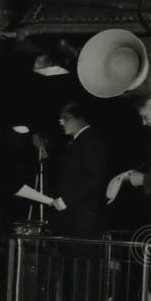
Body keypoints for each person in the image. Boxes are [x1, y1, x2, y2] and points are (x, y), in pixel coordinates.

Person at [48, 102, 109, 240]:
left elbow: (93, 180)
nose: (61, 122)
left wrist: (66, 201)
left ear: (79, 118)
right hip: (74, 219)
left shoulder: (90, 141)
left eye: (65, 118)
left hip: (83, 221)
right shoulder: (78, 142)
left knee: (81, 260)